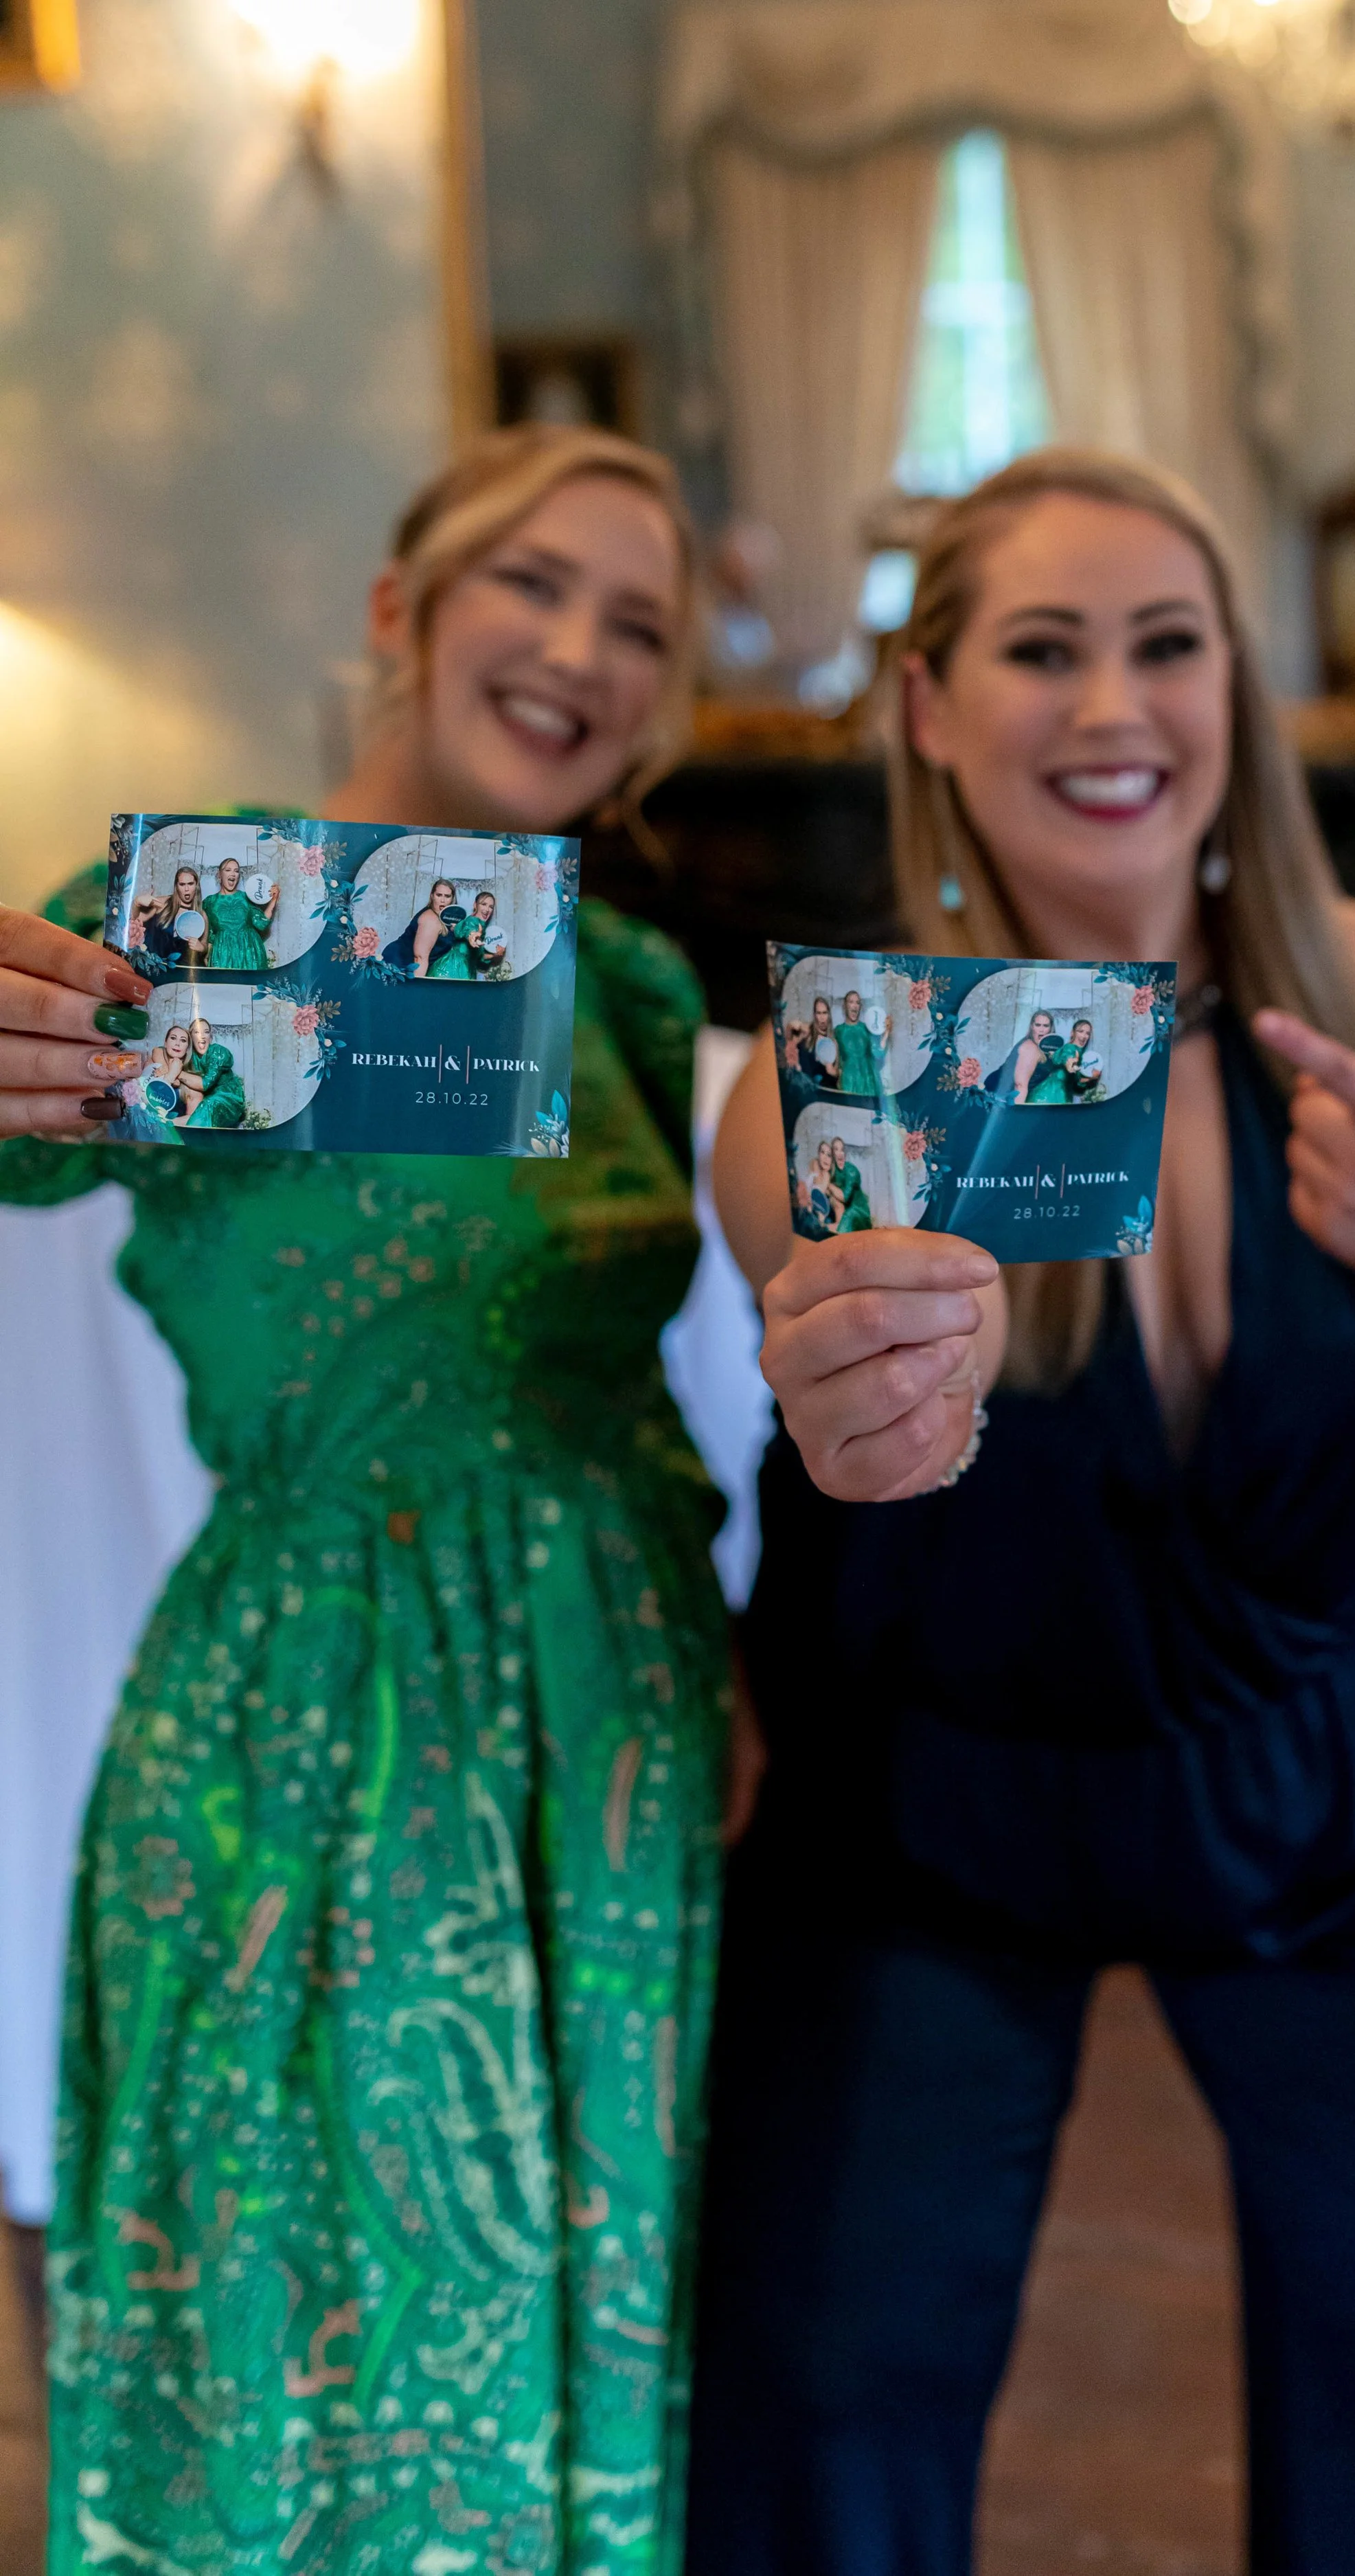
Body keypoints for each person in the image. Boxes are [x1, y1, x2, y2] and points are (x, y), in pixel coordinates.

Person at [694, 450, 1355, 2575]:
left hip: (1345, 1791)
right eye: (1039, 648)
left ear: (1236, 682)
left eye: (1165, 643)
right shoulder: (825, 1082)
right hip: (932, 1816)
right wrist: (862, 1398)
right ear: (926, 705)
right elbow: (845, 1427)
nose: (1111, 704)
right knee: (813, 2365)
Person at [0, 423, 737, 2576]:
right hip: (316, 1733)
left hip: (611, 1745)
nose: (579, 651)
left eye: (641, 627)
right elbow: (30, 1130)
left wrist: (719, 1659)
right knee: (302, 2343)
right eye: (532, 583)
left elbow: (631, 1402)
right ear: (401, 610)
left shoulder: (627, 988)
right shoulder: (201, 911)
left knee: (566, 2336)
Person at [202, 852, 279, 969]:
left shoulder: (246, 898)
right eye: (228, 870)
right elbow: (207, 934)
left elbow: (262, 923)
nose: (233, 874)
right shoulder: (209, 902)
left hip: (250, 953)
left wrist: (273, 900)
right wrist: (206, 957)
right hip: (223, 955)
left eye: (236, 871)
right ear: (219, 875)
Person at [130, 866, 208, 969]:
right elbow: (135, 918)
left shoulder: (201, 915)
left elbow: (205, 946)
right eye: (182, 884)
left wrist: (201, 948)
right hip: (157, 966)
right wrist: (137, 902)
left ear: (196, 886)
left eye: (190, 884)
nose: (187, 889)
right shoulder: (162, 903)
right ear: (176, 886)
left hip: (183, 971)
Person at [178, 1014, 247, 1127]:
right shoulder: (190, 1056)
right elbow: (161, 1051)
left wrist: (178, 1073)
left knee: (209, 1105)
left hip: (228, 1100)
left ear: (211, 1038)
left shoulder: (218, 1053)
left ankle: (190, 1140)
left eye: (206, 1032)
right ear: (191, 1038)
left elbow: (205, 1084)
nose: (202, 1036)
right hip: (207, 1102)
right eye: (197, 1032)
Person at [832, 990, 889, 1096]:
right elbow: (837, 1062)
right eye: (851, 1002)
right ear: (845, 1006)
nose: (855, 1006)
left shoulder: (867, 1029)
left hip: (869, 1083)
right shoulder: (838, 1031)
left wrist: (886, 1033)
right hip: (849, 1084)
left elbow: (878, 1053)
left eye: (858, 1003)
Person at [825, 1137, 872, 1234]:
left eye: (842, 1150)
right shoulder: (833, 1172)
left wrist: (828, 1185)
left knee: (841, 1223)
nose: (840, 1153)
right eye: (836, 1149)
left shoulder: (851, 1171)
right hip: (846, 1212)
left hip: (859, 1213)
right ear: (832, 1154)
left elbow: (844, 1197)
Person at [807, 993, 840, 1089]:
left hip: (828, 1092)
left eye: (825, 1013)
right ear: (815, 1015)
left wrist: (832, 1071)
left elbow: (837, 1073)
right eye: (819, 1013)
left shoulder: (834, 1042)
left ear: (829, 1015)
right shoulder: (809, 1037)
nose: (822, 1018)